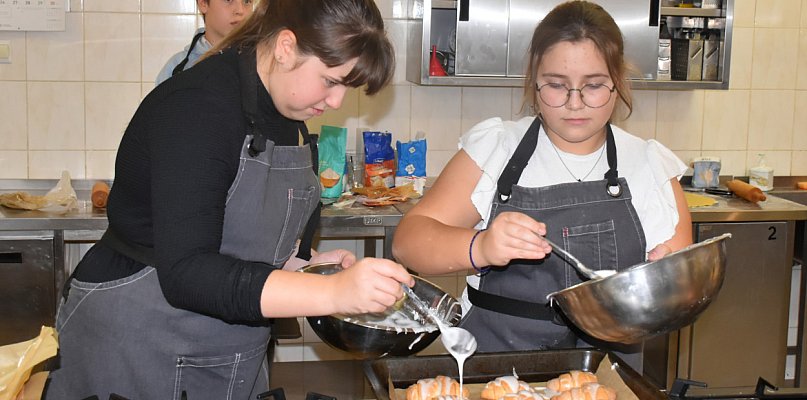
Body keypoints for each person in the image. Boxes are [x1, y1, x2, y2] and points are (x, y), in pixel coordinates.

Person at [46, 0, 411, 399]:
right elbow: (187, 272)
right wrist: (334, 293)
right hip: (139, 343)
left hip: (228, 350)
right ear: (286, 47)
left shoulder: (286, 119)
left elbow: (234, 235)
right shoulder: (196, 106)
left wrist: (305, 267)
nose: (338, 102)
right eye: (331, 81)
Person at [392, 0, 692, 372]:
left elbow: (678, 288)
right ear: (534, 81)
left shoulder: (649, 166)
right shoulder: (496, 149)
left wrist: (667, 283)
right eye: (556, 86)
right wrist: (480, 246)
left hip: (604, 376)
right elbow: (409, 243)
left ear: (618, 82)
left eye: (594, 86)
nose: (574, 104)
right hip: (495, 370)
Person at [155, 0, 254, 85]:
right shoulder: (176, 68)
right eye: (228, 0)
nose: (240, 10)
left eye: (247, 1)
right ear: (203, 3)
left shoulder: (262, 63)